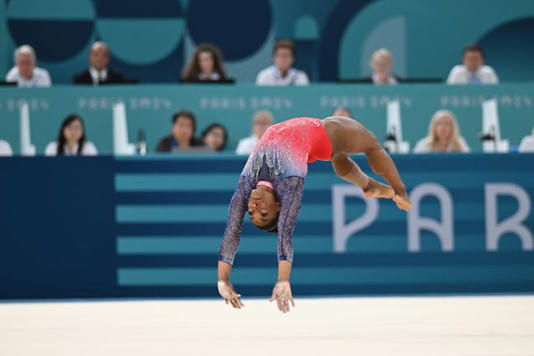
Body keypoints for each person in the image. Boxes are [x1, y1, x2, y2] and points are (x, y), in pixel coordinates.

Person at [217, 116, 411, 313]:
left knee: (338, 157)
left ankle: (369, 186)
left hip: (310, 146)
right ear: (278, 206)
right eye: (263, 213)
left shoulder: (245, 186)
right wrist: (283, 280)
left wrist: (222, 280)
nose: (255, 206)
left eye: (251, 212)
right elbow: (285, 234)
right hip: (322, 134)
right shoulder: (289, 183)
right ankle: (400, 192)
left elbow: (231, 231)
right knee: (370, 142)